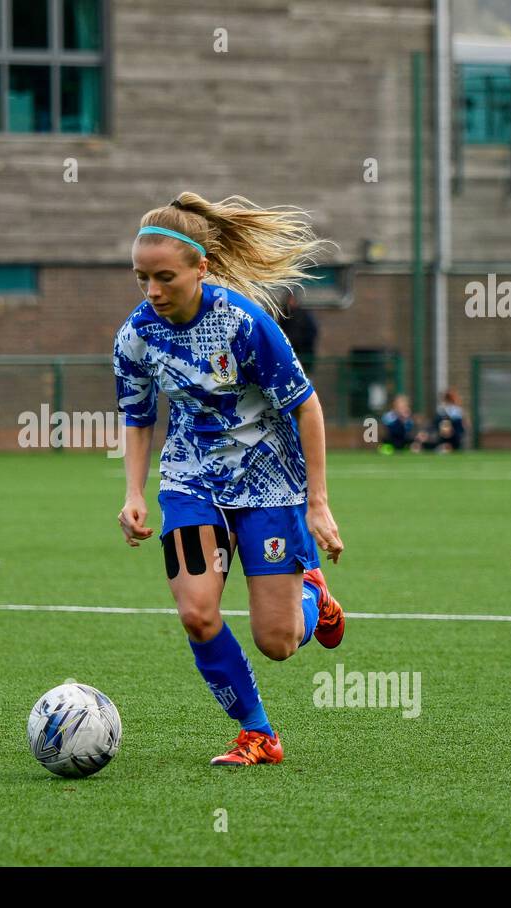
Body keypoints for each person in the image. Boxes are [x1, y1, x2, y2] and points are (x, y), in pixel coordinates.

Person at [114, 192, 346, 768]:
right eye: (142, 277)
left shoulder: (245, 325)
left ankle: (313, 594)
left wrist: (318, 504)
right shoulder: (136, 335)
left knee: (279, 642)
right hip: (191, 482)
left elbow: (306, 406)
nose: (152, 291)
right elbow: (139, 416)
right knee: (196, 612)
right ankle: (258, 734)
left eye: (165, 277)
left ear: (202, 269)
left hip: (269, 485)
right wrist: (135, 493)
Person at [274, 287, 318, 373]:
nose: (290, 302)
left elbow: (311, 332)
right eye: (289, 299)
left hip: (301, 354)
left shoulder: (303, 315)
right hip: (287, 354)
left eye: (292, 299)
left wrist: (303, 344)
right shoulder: (283, 315)